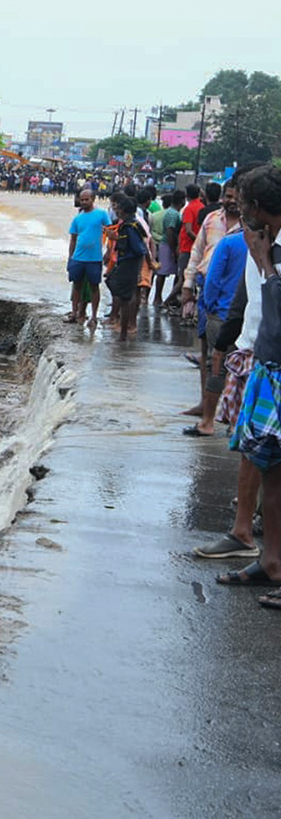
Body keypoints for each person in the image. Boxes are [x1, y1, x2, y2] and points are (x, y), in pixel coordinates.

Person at [213, 165, 281, 604]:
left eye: (244, 204)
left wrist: (265, 266)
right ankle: (271, 560)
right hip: (266, 363)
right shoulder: (263, 245)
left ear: (257, 208)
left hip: (276, 366)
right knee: (271, 470)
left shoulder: (269, 253)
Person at [184, 184, 247, 436]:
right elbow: (196, 253)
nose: (229, 201)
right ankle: (209, 408)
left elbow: (214, 280)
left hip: (222, 304)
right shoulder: (212, 220)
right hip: (215, 298)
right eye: (227, 196)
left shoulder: (238, 238)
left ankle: (211, 418)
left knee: (218, 361)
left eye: (235, 197)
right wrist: (188, 285)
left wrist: (210, 306)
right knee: (210, 355)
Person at [66, 188, 111, 327]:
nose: (84, 202)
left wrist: (109, 251)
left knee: (94, 287)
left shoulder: (102, 214)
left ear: (93, 199)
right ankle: (75, 313)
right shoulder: (77, 218)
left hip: (95, 258)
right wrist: (70, 257)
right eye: (82, 199)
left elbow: (111, 232)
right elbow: (73, 239)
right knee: (76, 286)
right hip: (78, 258)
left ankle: (93, 316)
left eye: (87, 199)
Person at [105, 194, 147, 341]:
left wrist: (117, 238)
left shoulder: (129, 227)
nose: (115, 210)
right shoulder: (129, 224)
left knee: (125, 298)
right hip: (126, 263)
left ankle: (123, 332)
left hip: (129, 264)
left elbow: (137, 248)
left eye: (117, 208)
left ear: (122, 211)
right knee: (111, 282)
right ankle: (123, 328)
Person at [153, 190, 184, 305]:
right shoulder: (173, 214)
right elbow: (170, 231)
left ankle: (170, 297)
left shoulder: (173, 212)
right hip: (168, 245)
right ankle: (158, 298)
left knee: (174, 272)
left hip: (169, 244)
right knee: (162, 272)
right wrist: (173, 249)